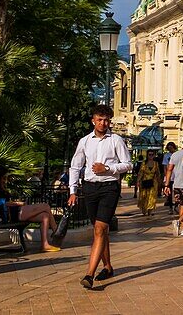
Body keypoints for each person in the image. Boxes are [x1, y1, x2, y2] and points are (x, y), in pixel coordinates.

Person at [68, 104, 131, 290]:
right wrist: (72, 191)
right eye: (100, 119)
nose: (103, 123)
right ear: (93, 120)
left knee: (100, 229)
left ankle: (89, 274)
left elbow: (128, 164)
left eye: (106, 120)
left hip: (109, 188)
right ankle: (108, 266)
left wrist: (109, 169)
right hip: (89, 188)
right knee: (99, 230)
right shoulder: (85, 141)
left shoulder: (116, 140)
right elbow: (75, 166)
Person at [0, 166, 62, 252]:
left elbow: (4, 201)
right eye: (4, 177)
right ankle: (56, 232)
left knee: (45, 216)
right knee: (45, 206)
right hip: (7, 215)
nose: (5, 180)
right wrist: (17, 203)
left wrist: (15, 202)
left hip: (12, 212)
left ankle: (45, 244)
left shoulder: (0, 186)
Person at [135, 152, 162, 216]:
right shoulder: (144, 163)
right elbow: (140, 173)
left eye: (152, 154)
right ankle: (144, 210)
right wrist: (138, 181)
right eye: (149, 154)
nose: (151, 156)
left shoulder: (156, 163)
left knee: (152, 197)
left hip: (153, 182)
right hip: (144, 181)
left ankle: (150, 211)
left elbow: (158, 173)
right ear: (147, 155)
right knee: (144, 196)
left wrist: (159, 182)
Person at [162, 142, 178, 213]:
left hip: (177, 175)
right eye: (169, 148)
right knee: (169, 192)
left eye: (171, 147)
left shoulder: (177, 154)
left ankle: (176, 206)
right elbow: (165, 166)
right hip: (170, 176)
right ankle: (170, 207)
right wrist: (166, 176)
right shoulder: (166, 155)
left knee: (177, 192)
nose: (170, 149)